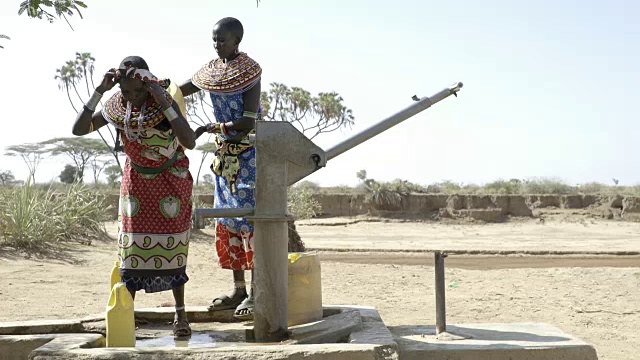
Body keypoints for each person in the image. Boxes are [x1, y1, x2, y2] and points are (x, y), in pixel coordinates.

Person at [72, 56, 197, 337]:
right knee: (131, 252)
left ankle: (180, 316)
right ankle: (125, 315)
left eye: (137, 92)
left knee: (174, 249)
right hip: (136, 184)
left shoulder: (162, 104)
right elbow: (79, 129)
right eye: (126, 92)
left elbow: (188, 141)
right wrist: (99, 92)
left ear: (147, 85)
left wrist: (162, 100)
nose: (132, 98)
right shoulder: (117, 108)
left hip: (171, 183)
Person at [180, 17, 261, 320]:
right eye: (214, 40)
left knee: (251, 223)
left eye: (222, 40)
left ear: (237, 40)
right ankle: (238, 289)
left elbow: (248, 122)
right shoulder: (211, 71)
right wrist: (156, 88)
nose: (217, 45)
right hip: (225, 158)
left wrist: (209, 127)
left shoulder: (250, 72)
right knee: (228, 222)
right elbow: (184, 87)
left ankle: (256, 293)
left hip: (250, 155)